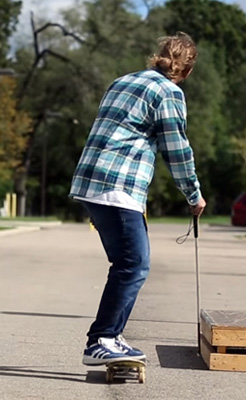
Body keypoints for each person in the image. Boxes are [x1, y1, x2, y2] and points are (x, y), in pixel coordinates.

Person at [69, 32, 206, 365]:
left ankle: (111, 336)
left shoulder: (122, 82)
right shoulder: (169, 92)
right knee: (134, 265)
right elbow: (176, 149)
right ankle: (100, 339)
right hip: (118, 185)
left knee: (127, 264)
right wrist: (194, 194)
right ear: (187, 70)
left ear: (158, 56)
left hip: (91, 181)